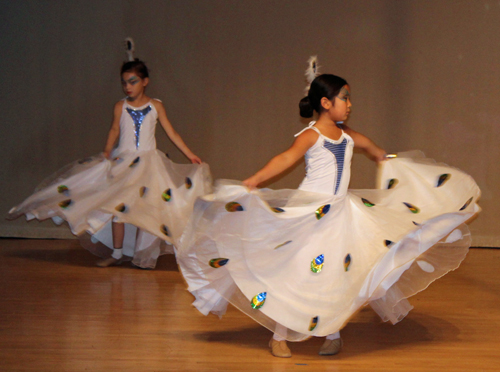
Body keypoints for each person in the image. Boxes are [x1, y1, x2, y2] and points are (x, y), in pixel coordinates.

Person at [175, 58, 480, 357]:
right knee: (296, 272)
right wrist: (253, 180)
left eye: (350, 99)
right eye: (344, 98)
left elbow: (373, 149)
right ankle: (280, 335)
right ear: (325, 102)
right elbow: (284, 159)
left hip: (341, 215)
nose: (349, 104)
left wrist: (388, 161)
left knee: (334, 274)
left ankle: (331, 333)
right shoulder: (311, 135)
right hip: (310, 213)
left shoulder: (347, 136)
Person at [8, 59, 212, 269]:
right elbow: (115, 129)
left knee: (149, 208)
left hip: (149, 163)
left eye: (132, 81)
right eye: (124, 83)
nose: (128, 87)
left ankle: (142, 253)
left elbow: (172, 132)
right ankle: (117, 253)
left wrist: (190, 154)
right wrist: (107, 151)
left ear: (145, 82)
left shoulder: (156, 106)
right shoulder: (120, 106)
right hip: (124, 162)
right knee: (118, 209)